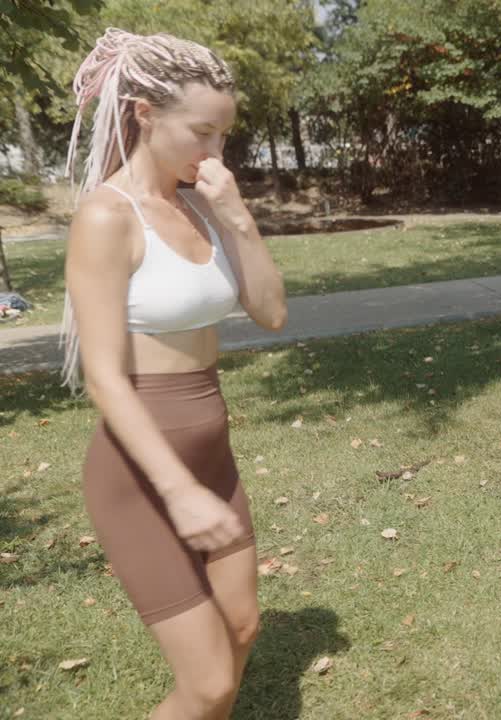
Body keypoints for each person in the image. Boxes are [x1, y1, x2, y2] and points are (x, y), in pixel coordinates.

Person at [61, 28, 287, 719]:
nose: (214, 153)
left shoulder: (201, 203)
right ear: (144, 114)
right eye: (201, 133)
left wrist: (237, 217)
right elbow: (104, 378)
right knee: (209, 683)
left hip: (213, 454)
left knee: (242, 628)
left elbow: (271, 313)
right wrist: (179, 491)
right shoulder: (107, 216)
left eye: (224, 136)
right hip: (141, 474)